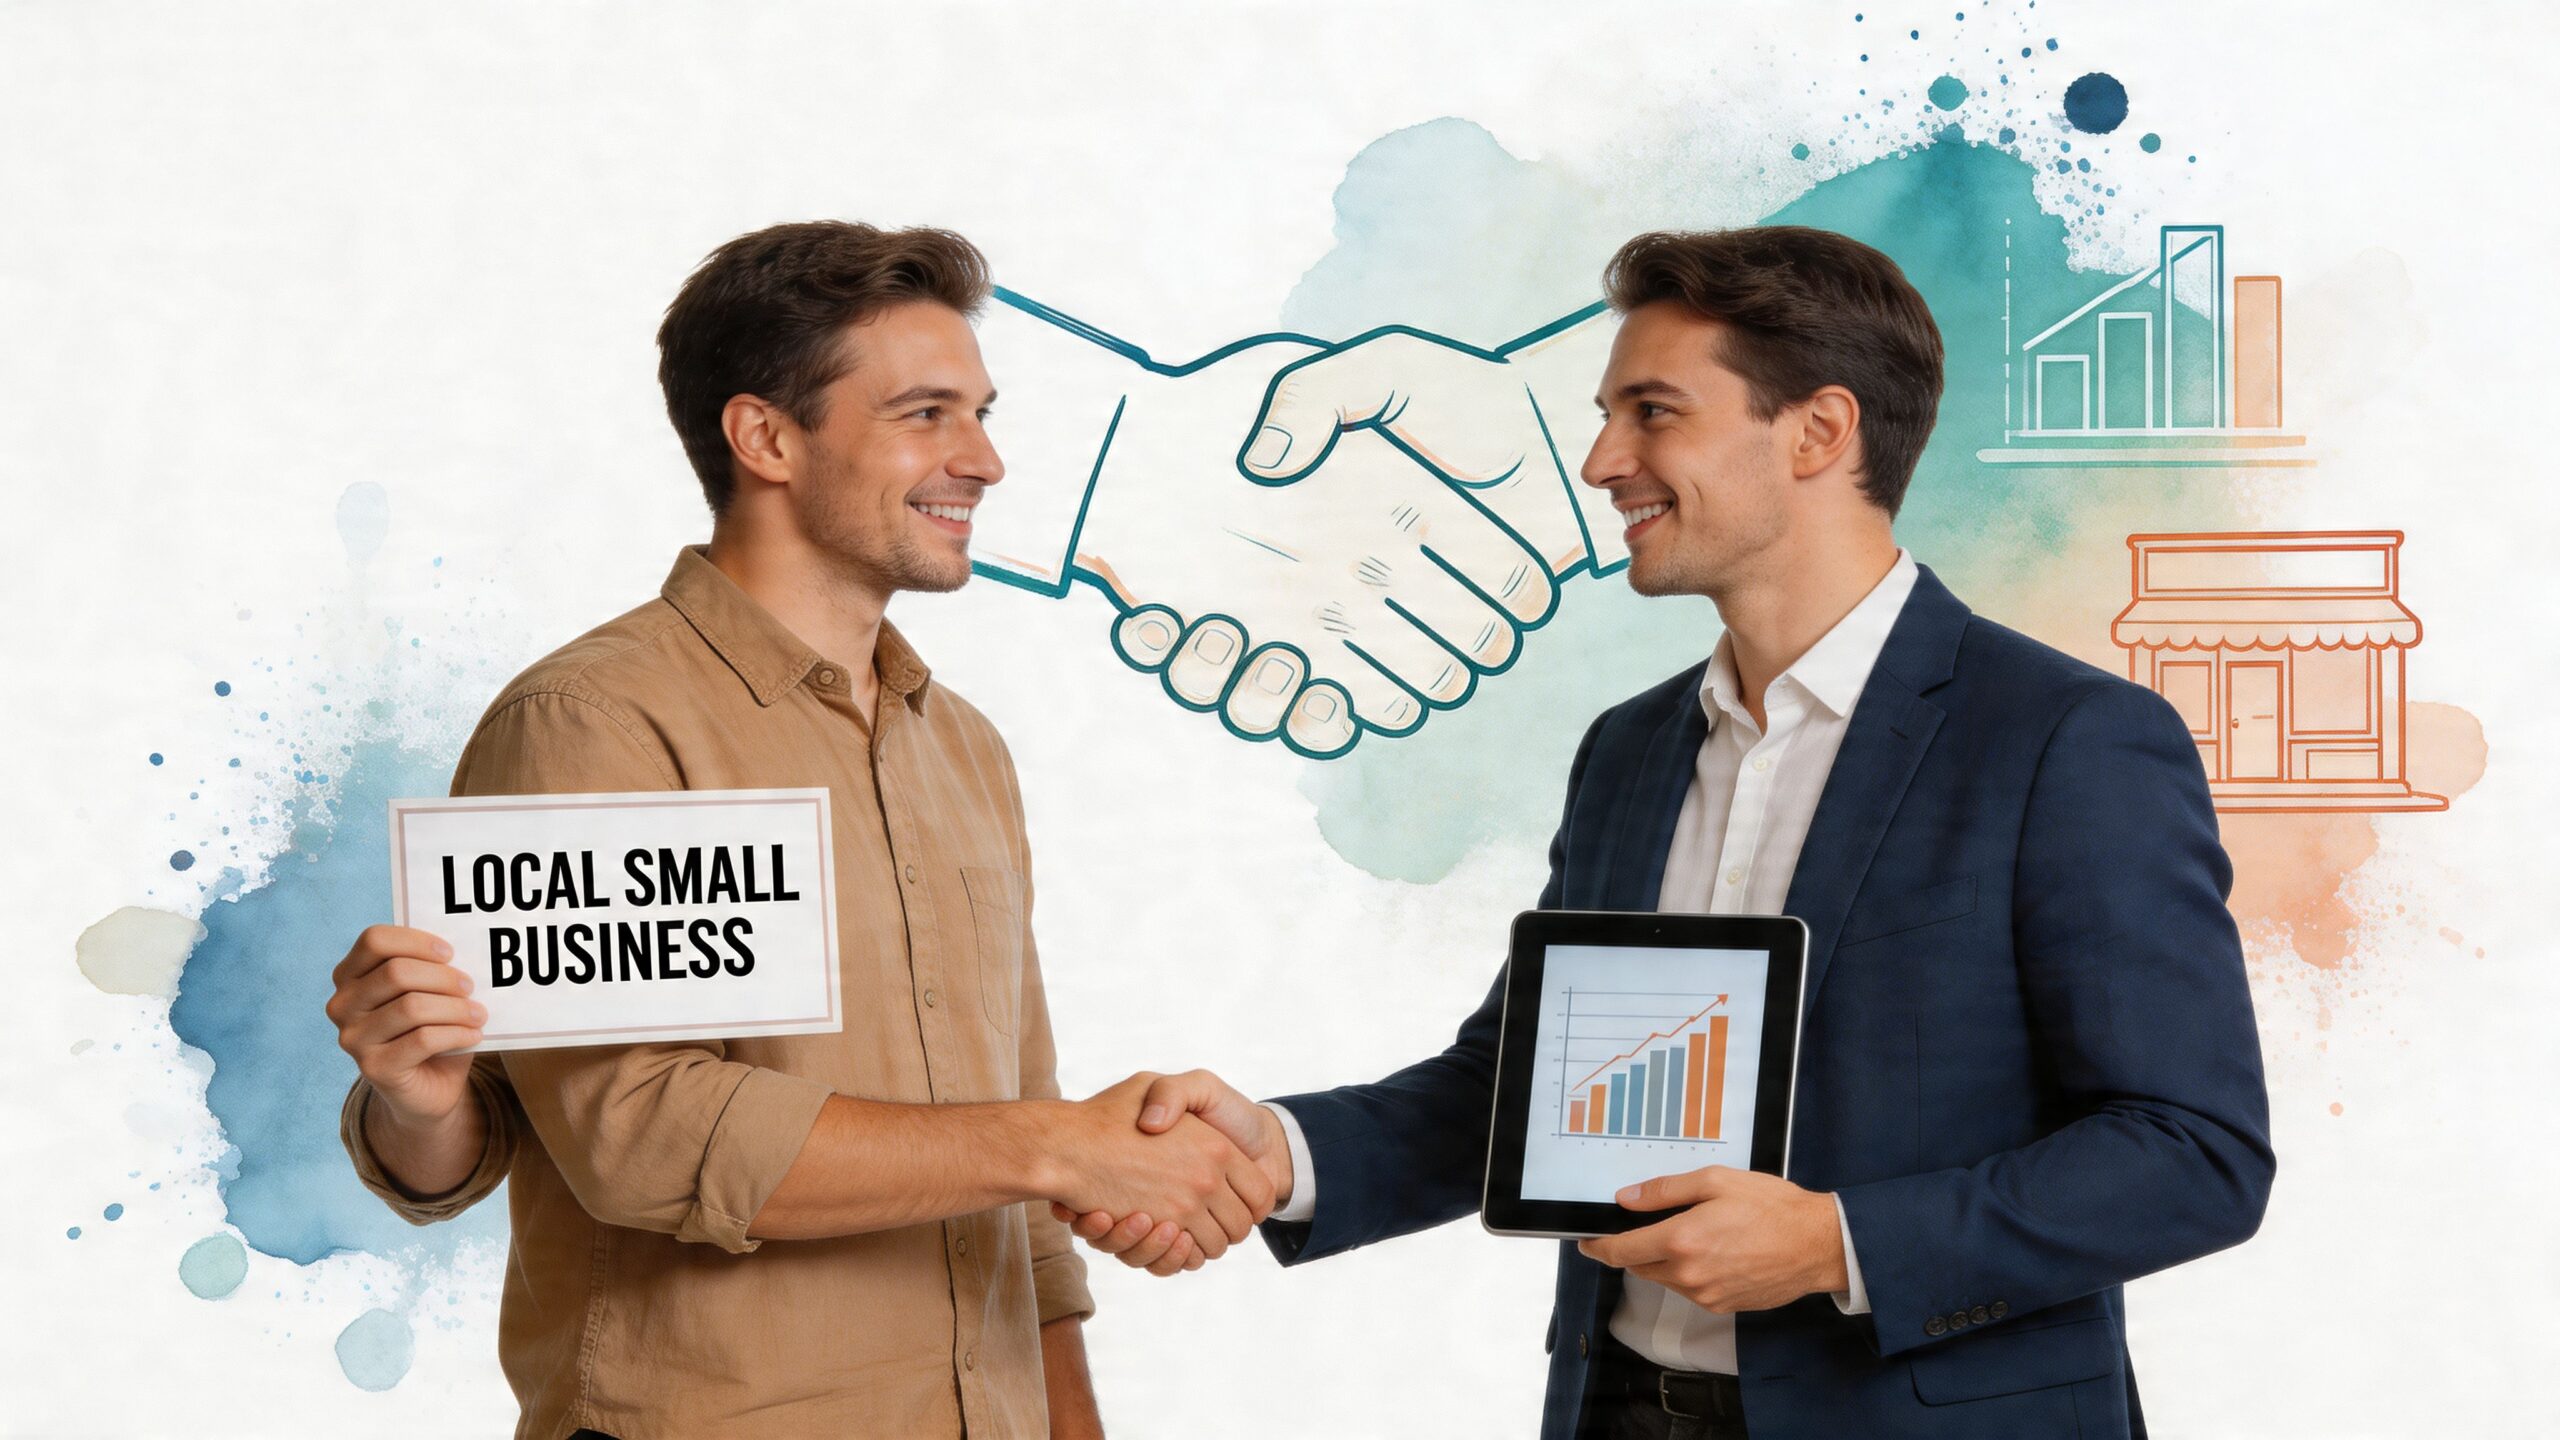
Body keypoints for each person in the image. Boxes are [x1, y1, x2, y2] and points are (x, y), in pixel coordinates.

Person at [1070, 226, 2277, 1439]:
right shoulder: (1630, 750)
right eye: (1607, 414)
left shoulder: (2067, 739)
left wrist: (1834, 1244)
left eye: (1652, 412)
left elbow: (2192, 1150)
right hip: (1619, 1408)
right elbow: (1527, 1091)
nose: (1601, 460)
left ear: (1817, 432)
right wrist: (1277, 1153)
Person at [324, 220, 1275, 1440]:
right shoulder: (593, 724)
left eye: (982, 413)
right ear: (765, 437)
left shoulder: (962, 746)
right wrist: (1057, 1147)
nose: (982, 460)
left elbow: (1020, 1157)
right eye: (926, 413)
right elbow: (639, 1130)